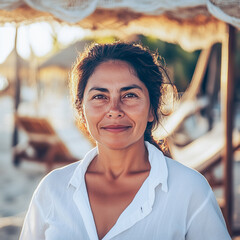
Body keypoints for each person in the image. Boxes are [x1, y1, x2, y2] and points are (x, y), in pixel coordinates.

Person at [20, 42, 231, 240]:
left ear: (151, 109)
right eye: (99, 96)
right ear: (81, 111)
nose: (114, 110)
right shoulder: (52, 190)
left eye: (129, 95)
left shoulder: (189, 190)